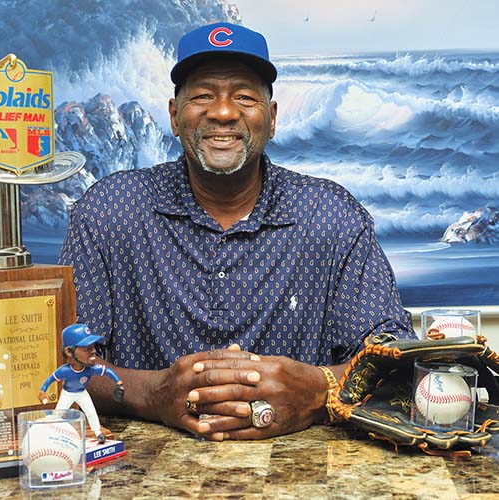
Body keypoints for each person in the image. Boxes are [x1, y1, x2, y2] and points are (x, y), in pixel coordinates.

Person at [59, 22, 415, 441]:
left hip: (305, 474)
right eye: (204, 95)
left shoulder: (331, 217)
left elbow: (397, 360)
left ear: (273, 118)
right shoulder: (109, 211)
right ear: (174, 116)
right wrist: (151, 394)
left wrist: (319, 390)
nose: (224, 112)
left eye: (245, 96)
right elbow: (62, 358)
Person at [39, 323, 125, 443]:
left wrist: (119, 383)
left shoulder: (91, 369)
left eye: (93, 346)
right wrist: (43, 390)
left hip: (82, 392)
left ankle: (98, 432)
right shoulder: (65, 370)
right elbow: (51, 379)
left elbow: (108, 372)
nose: (93, 351)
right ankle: (51, 434)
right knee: (58, 414)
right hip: (67, 393)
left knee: (91, 411)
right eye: (87, 348)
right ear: (69, 351)